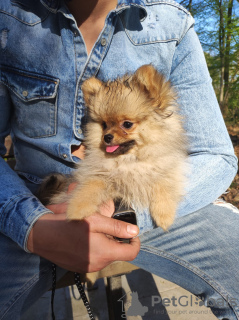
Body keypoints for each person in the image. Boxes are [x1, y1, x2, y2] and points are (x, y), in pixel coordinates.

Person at [0, 0, 238, 319]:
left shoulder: (170, 22)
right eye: (105, 126)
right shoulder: (8, 16)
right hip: (33, 200)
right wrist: (31, 225)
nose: (111, 134)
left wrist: (128, 213)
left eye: (126, 124)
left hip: (153, 195)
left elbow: (216, 155)